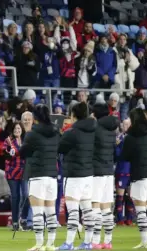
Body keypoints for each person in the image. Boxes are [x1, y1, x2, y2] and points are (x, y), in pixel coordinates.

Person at [18, 104, 60, 251]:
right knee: (51, 212)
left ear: (35, 118)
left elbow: (22, 153)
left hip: (37, 175)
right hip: (52, 176)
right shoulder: (56, 132)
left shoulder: (32, 133)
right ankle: (51, 244)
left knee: (37, 212)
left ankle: (39, 244)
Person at [58, 102, 96, 250]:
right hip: (88, 174)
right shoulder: (93, 129)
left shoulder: (72, 132)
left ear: (74, 115)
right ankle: (87, 243)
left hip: (74, 175)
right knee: (87, 210)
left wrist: (61, 133)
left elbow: (60, 148)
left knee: (73, 210)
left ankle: (69, 243)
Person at [90, 103, 119, 249]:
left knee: (95, 205)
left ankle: (95, 240)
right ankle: (108, 241)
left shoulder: (96, 129)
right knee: (106, 207)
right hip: (109, 171)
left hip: (97, 171)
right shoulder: (111, 129)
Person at [121, 108, 147, 249]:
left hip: (139, 175)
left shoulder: (130, 136)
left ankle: (145, 241)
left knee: (141, 209)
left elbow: (125, 157)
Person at [3, 122, 26, 231]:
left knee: (25, 195)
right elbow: (4, 155)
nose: (17, 130)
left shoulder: (26, 141)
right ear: (13, 130)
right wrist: (9, 152)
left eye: (19, 128)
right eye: (15, 128)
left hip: (24, 171)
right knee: (16, 197)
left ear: (22, 130)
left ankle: (21, 217)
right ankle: (15, 222)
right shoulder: (8, 141)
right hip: (12, 172)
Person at [115, 118, 134, 226]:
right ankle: (119, 219)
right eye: (124, 124)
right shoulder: (119, 138)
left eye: (127, 124)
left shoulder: (134, 138)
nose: (125, 126)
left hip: (132, 170)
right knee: (120, 195)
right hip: (122, 169)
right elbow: (117, 155)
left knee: (130, 195)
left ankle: (130, 218)